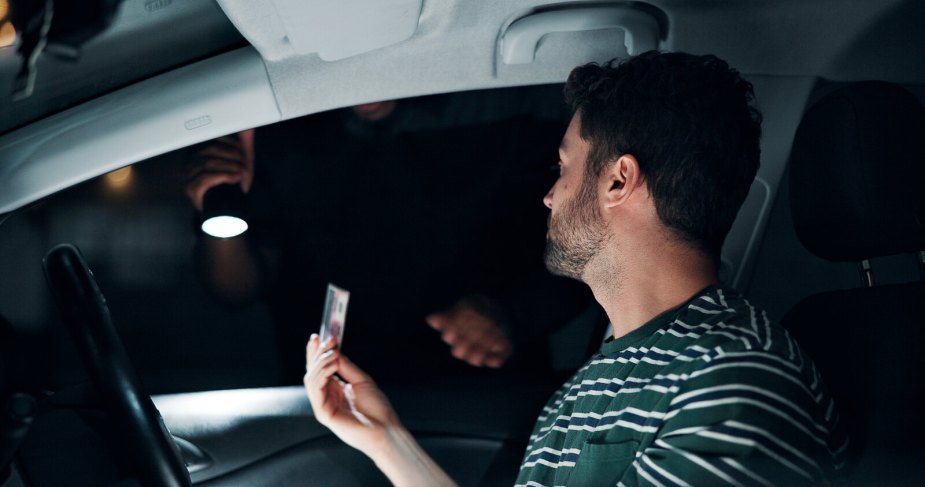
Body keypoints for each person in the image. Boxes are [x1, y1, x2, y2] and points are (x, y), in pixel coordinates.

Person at [303, 51, 848, 486]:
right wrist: (385, 438)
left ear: (618, 181)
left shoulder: (733, 385)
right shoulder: (595, 380)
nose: (548, 196)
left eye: (564, 167)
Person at [185, 94, 590, 382]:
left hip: (480, 398)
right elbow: (236, 289)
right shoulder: (280, 128)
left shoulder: (502, 102)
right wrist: (217, 200)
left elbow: (593, 240)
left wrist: (516, 315)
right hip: (333, 398)